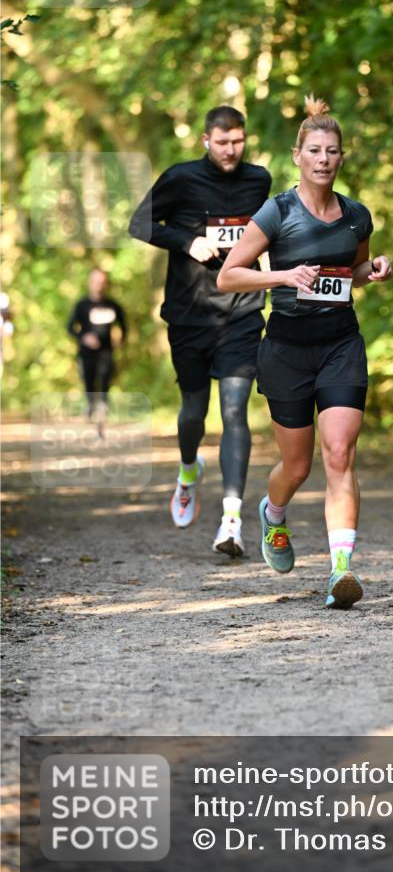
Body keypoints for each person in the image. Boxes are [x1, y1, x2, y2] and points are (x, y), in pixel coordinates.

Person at [218, 95, 392, 608]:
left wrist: (374, 268)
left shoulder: (357, 216)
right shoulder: (278, 211)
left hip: (340, 344)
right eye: (314, 150)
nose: (323, 159)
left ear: (342, 158)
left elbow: (352, 272)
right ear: (298, 155)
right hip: (287, 349)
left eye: (332, 151)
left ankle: (341, 571)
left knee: (340, 453)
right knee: (297, 466)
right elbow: (230, 274)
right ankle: (273, 515)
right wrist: (282, 275)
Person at [129, 105, 271, 556]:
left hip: (243, 312)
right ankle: (188, 471)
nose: (232, 150)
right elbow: (139, 224)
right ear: (206, 140)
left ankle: (232, 521)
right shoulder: (181, 178)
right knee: (194, 412)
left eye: (238, 141)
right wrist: (185, 240)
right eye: (223, 141)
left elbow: (269, 236)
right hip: (190, 314)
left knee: (234, 411)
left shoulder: (259, 180)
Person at [67, 268, 126, 428]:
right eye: (96, 281)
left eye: (102, 282)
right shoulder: (82, 305)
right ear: (90, 283)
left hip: (106, 351)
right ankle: (90, 406)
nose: (99, 285)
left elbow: (123, 324)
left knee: (106, 377)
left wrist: (122, 338)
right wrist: (84, 337)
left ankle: (103, 409)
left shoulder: (113, 305)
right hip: (86, 353)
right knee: (89, 380)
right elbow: (70, 327)